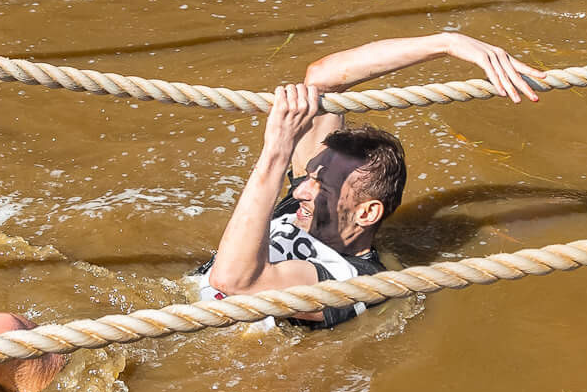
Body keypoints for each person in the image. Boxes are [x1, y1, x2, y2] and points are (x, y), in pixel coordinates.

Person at [196, 33, 543, 328]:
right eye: (309, 174)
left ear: (366, 213)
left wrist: (276, 152)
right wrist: (447, 42)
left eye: (321, 186)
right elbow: (323, 79)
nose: (300, 188)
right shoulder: (308, 203)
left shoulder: (357, 281)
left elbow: (236, 281)